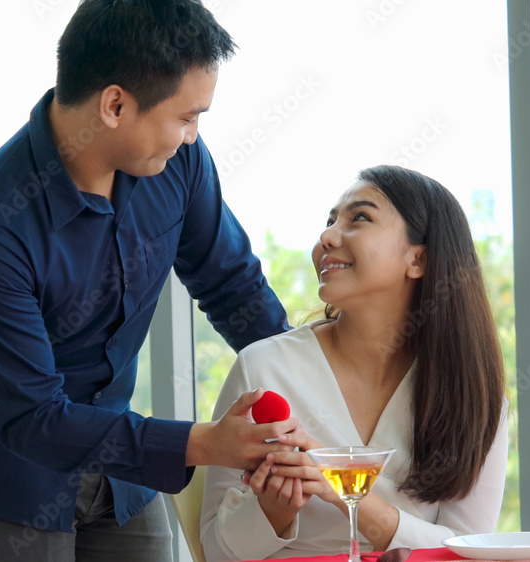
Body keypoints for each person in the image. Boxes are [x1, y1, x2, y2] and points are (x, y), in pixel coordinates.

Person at [0, 1, 305, 560]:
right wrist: (206, 444)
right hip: (2, 476)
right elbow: (34, 419)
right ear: (116, 104)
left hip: (124, 467)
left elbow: (233, 285)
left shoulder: (178, 165)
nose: (192, 137)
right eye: (187, 117)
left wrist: (306, 385)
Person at [200, 165, 509, 560]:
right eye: (329, 222)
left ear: (419, 259)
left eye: (359, 217)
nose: (326, 237)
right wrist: (273, 511)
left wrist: (345, 493)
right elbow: (214, 552)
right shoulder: (263, 369)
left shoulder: (472, 394)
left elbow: (467, 551)